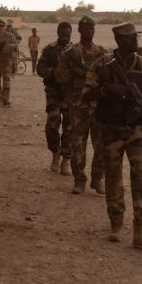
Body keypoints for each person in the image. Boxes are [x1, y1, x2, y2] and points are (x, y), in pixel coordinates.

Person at [82, 22, 142, 247]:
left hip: (137, 132)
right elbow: (87, 94)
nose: (136, 40)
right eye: (131, 37)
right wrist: (107, 90)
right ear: (119, 41)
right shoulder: (102, 65)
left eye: (136, 36)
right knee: (114, 177)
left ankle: (140, 230)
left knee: (141, 176)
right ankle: (116, 222)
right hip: (111, 131)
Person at [55, 15, 106, 194]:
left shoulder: (101, 52)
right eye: (85, 29)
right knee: (78, 145)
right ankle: (79, 180)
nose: (89, 31)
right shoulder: (71, 52)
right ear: (79, 30)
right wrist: (74, 73)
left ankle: (98, 179)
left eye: (91, 29)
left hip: (98, 108)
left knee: (101, 145)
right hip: (78, 106)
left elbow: (108, 77)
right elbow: (59, 76)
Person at [36, 22, 73, 175]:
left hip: (71, 94)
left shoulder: (76, 51)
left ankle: (66, 160)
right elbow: (40, 69)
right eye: (62, 34)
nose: (65, 37)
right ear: (57, 33)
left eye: (68, 35)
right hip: (53, 92)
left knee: (70, 128)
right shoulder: (49, 50)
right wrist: (53, 72)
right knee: (52, 124)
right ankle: (55, 154)